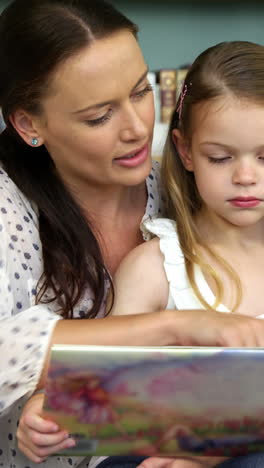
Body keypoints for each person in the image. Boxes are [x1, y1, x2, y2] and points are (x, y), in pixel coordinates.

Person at [1, 0, 264, 464]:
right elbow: (107, 383)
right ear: (29, 124)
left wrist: (205, 453)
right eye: (99, 115)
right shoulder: (12, 210)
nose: (139, 128)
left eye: (142, 91)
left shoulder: (179, 186)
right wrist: (58, 402)